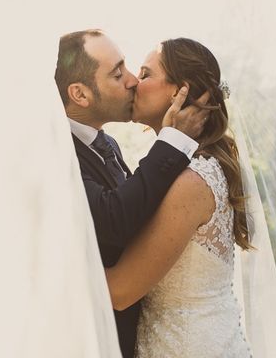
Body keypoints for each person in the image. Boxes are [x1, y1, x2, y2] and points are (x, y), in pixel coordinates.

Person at [54, 29, 209, 358]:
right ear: (80, 94)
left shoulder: (106, 143)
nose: (132, 82)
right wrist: (173, 142)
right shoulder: (54, 153)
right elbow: (114, 219)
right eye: (118, 73)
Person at [105, 38, 253, 357]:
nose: (132, 82)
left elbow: (120, 291)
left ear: (178, 92)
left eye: (145, 74)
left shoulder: (192, 181)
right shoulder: (184, 166)